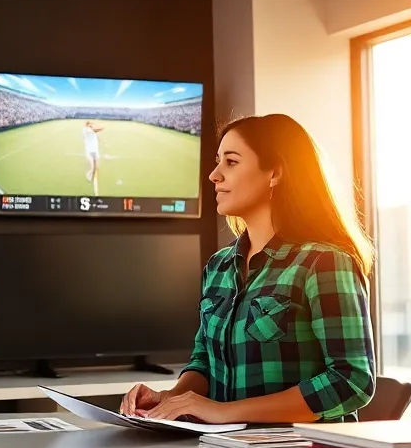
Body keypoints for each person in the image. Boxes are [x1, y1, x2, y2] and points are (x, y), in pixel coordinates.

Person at [121, 113, 375, 426]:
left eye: (231, 161)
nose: (214, 175)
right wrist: (172, 398)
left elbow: (351, 382)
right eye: (218, 161)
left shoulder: (323, 263)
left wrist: (223, 412)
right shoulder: (219, 266)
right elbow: (205, 361)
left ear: (274, 173)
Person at [82, 119, 104, 193]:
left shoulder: (91, 130)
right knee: (92, 166)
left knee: (96, 167)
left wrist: (98, 139)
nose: (92, 125)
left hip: (95, 150)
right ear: (87, 124)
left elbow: (96, 135)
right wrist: (102, 126)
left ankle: (92, 174)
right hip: (89, 151)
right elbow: (98, 129)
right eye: (90, 124)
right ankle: (89, 175)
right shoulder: (86, 130)